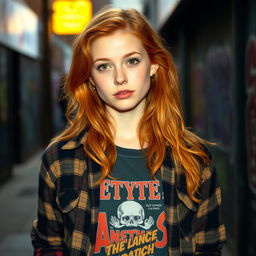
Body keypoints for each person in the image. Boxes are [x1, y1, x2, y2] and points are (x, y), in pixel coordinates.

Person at [31, 7, 226, 256]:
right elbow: (48, 245)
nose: (120, 78)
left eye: (132, 61)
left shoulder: (194, 158)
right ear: (90, 78)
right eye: (103, 66)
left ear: (154, 64)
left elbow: (209, 247)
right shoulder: (61, 159)